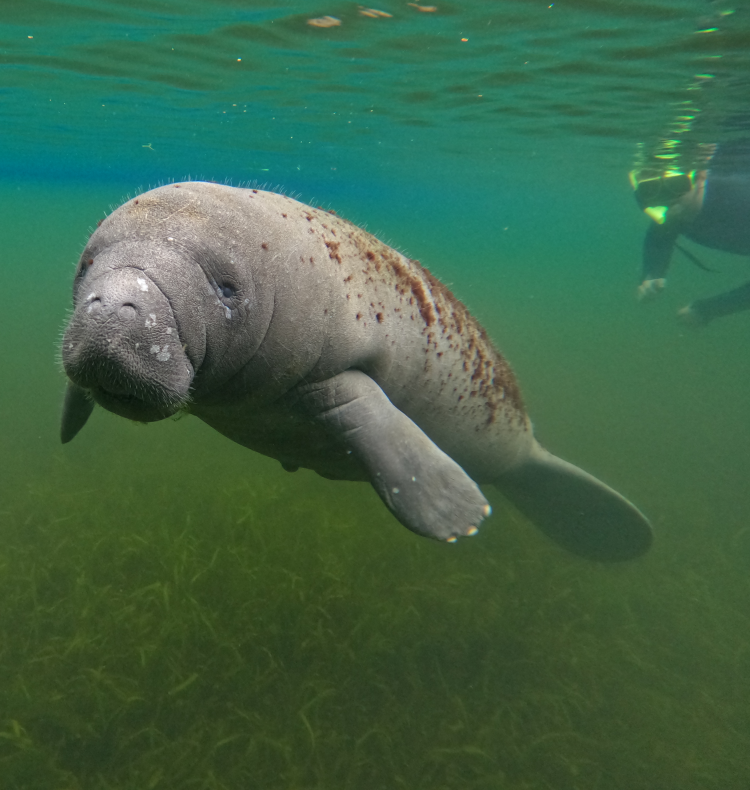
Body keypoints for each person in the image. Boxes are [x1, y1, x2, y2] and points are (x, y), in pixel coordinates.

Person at [631, 143, 750, 326]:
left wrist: (708, 309)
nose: (667, 199)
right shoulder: (674, 211)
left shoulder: (741, 199)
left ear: (701, 178)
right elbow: (659, 238)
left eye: (676, 185)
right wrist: (652, 275)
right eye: (650, 191)